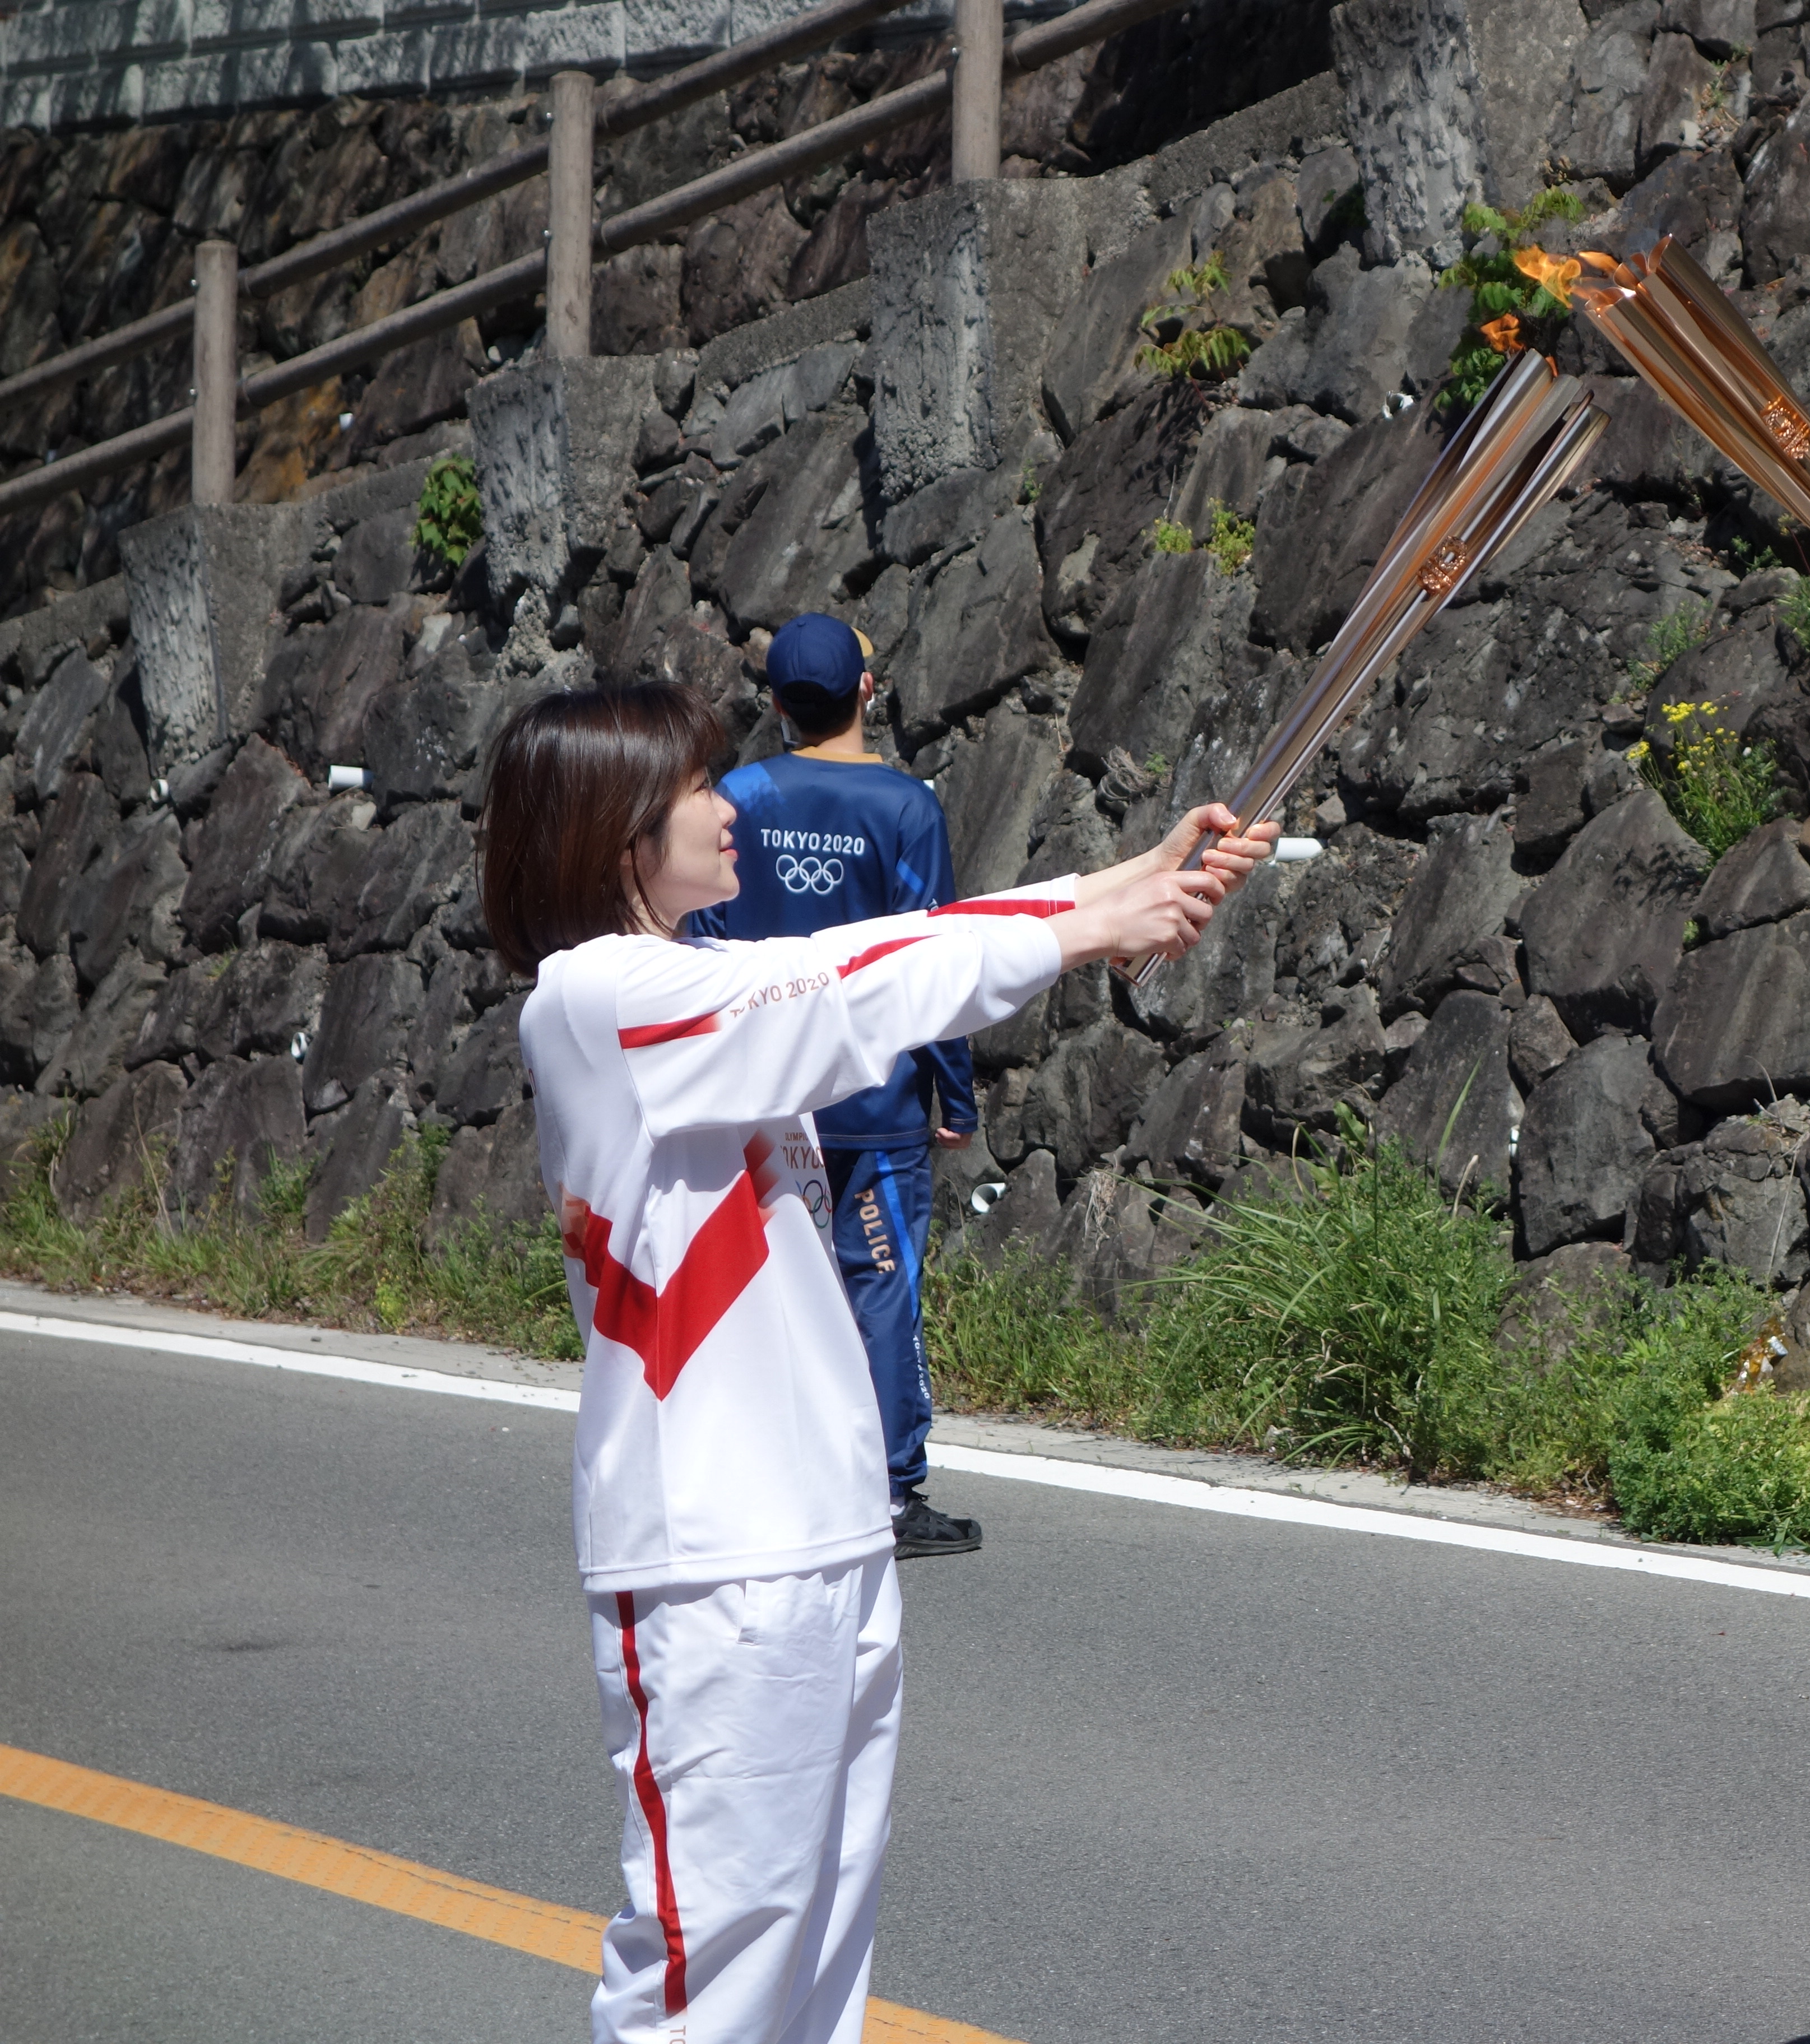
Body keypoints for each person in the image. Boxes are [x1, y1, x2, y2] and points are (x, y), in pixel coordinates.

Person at [484, 678, 1270, 2044]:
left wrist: (1126, 880)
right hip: (713, 1561)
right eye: (699, 793)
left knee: (819, 1954)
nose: (732, 809)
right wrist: (1084, 925)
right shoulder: (597, 1000)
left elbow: (870, 955)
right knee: (711, 1971)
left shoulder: (697, 990)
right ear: (620, 834)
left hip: (824, 1539)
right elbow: (846, 985)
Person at [684, 615, 985, 1560]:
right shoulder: (906, 809)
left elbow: (706, 944)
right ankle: (892, 1497)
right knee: (881, 1290)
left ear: (774, 705)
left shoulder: (737, 796)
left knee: (765, 1289)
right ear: (868, 689)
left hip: (765, 1103)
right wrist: (957, 1096)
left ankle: (773, 1486)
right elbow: (931, 959)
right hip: (875, 1104)